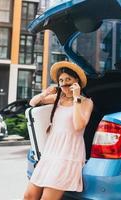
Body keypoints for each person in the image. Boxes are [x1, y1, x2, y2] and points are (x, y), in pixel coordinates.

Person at [24, 61, 94, 200]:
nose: (64, 83)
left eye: (68, 79)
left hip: (68, 156)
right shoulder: (58, 99)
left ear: (76, 82)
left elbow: (79, 125)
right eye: (61, 80)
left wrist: (76, 97)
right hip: (50, 154)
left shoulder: (86, 102)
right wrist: (46, 93)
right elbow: (33, 103)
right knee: (29, 196)